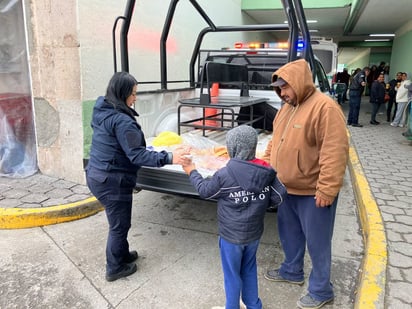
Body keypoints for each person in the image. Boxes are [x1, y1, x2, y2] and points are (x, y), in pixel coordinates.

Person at [85, 72, 189, 282]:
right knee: (119, 225)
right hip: (112, 180)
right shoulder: (123, 121)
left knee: (120, 223)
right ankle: (114, 268)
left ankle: (122, 255)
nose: (136, 98)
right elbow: (137, 155)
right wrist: (170, 156)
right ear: (123, 93)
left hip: (97, 174)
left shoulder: (102, 109)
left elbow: (118, 144)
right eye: (133, 93)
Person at [262, 59, 349, 309]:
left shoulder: (325, 108)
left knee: (318, 243)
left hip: (313, 192)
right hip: (285, 188)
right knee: (290, 235)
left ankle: (321, 291)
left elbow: (335, 152)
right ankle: (292, 271)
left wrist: (327, 188)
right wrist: (265, 168)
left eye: (285, 88)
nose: (282, 93)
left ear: (298, 83)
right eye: (279, 88)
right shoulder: (286, 108)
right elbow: (274, 142)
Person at [181, 125, 287, 309]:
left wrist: (192, 170)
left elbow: (205, 191)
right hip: (254, 234)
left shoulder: (225, 174)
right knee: (249, 269)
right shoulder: (266, 171)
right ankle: (254, 305)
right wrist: (260, 204)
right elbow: (279, 195)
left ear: (233, 148)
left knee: (232, 274)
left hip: (230, 237)